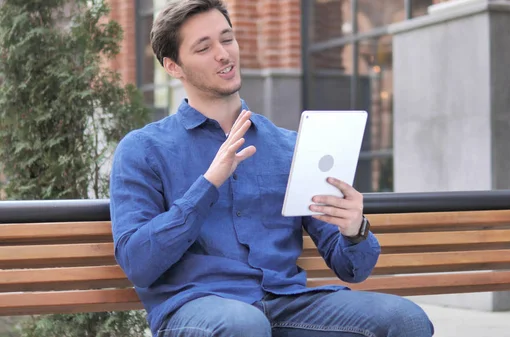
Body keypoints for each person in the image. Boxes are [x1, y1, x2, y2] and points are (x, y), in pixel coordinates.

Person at [109, 0, 434, 336]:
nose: (223, 54)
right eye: (204, 47)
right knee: (244, 326)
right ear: (174, 67)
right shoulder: (143, 149)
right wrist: (209, 183)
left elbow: (352, 269)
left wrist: (354, 230)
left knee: (406, 320)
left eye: (227, 39)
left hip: (288, 303)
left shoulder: (288, 146)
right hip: (197, 306)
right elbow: (139, 263)